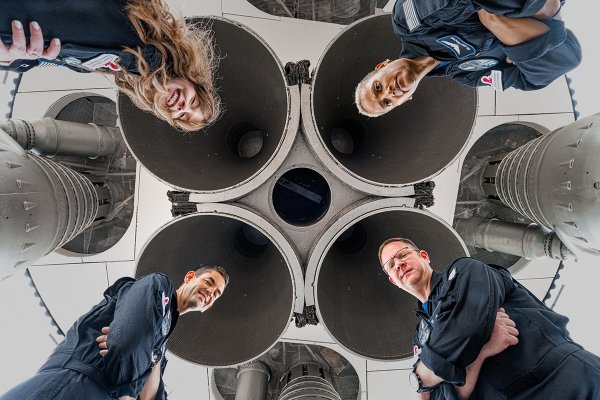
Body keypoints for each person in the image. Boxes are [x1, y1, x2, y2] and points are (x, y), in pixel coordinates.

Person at [378, 237, 600, 399]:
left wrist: (423, 377)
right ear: (392, 280)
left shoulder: (464, 271)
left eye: (403, 254)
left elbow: (468, 326)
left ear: (423, 256)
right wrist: (481, 353)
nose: (398, 264)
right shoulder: (420, 338)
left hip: (566, 380)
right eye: (391, 265)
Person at [0, 266, 229, 400]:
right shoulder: (159, 287)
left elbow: (153, 396)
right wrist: (129, 391)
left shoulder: (161, 345)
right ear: (190, 277)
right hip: (76, 384)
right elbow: (128, 341)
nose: (210, 292)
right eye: (209, 282)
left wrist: (151, 357)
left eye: (216, 294)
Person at [0, 0, 220, 131]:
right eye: (194, 100)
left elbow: (53, 55)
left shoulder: (123, 66)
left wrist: (13, 60)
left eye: (183, 116)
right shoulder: (143, 40)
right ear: (192, 78)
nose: (184, 107)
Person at [355, 0, 582, 117]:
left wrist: (519, 45)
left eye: (377, 87)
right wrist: (495, 23)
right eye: (387, 103)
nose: (389, 93)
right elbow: (544, 72)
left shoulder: (408, 23)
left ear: (382, 66)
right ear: (404, 102)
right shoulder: (466, 75)